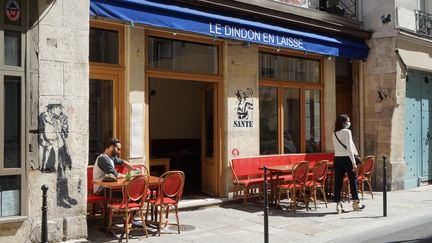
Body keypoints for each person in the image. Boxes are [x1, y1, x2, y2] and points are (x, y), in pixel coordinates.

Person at [332, 114, 365, 213]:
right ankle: (356, 203)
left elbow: (335, 147)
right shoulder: (347, 132)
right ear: (343, 123)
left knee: (338, 182)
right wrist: (354, 163)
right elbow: (350, 149)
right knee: (353, 180)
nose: (349, 123)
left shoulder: (334, 133)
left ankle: (338, 205)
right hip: (347, 159)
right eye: (347, 121)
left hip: (337, 159)